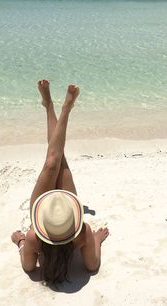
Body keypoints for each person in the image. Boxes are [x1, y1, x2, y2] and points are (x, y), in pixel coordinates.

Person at [11, 80, 109, 285]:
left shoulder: (32, 238)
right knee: (58, 159)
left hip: (47, 211)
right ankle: (65, 109)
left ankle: (49, 106)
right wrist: (96, 241)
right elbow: (93, 265)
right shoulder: (83, 233)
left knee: (52, 161)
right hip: (62, 207)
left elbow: (28, 266)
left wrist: (20, 241)